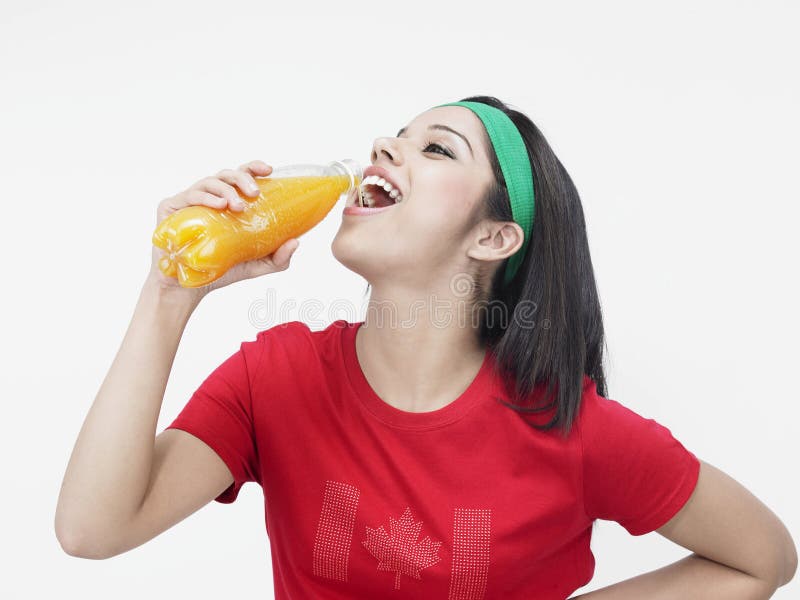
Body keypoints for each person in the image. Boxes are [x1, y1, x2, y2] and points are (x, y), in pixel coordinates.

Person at [55, 96, 796, 599]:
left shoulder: (573, 431)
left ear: (493, 237)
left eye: (435, 148)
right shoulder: (273, 379)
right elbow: (92, 530)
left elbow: (762, 559)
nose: (385, 145)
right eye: (395, 136)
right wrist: (170, 290)